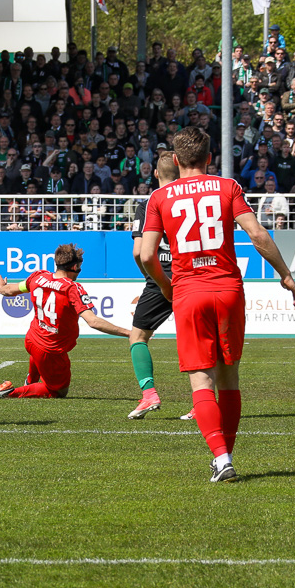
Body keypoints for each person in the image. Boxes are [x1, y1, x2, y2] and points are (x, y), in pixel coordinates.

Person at [139, 126, 295, 483]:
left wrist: (167, 287)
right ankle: (225, 456)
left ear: (177, 160)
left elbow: (147, 254)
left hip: (189, 292)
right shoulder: (228, 187)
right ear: (209, 158)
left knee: (201, 380)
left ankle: (221, 457)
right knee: (229, 376)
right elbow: (257, 234)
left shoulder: (159, 198)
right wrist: (285, 275)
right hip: (228, 288)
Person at [0, 244, 130, 400]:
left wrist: (0, 288)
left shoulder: (38, 276)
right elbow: (93, 321)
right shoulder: (72, 288)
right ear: (74, 266)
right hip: (50, 350)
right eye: (79, 268)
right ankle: (8, 393)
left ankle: (30, 382)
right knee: (58, 391)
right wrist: (129, 333)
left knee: (38, 355)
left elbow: (10, 290)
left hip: (32, 339)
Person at [125, 152, 182, 420]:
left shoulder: (148, 204)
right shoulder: (188, 201)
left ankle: (149, 394)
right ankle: (203, 403)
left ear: (156, 174)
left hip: (161, 277)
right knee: (198, 341)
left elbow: (139, 253)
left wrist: (152, 279)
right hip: (190, 274)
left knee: (138, 337)